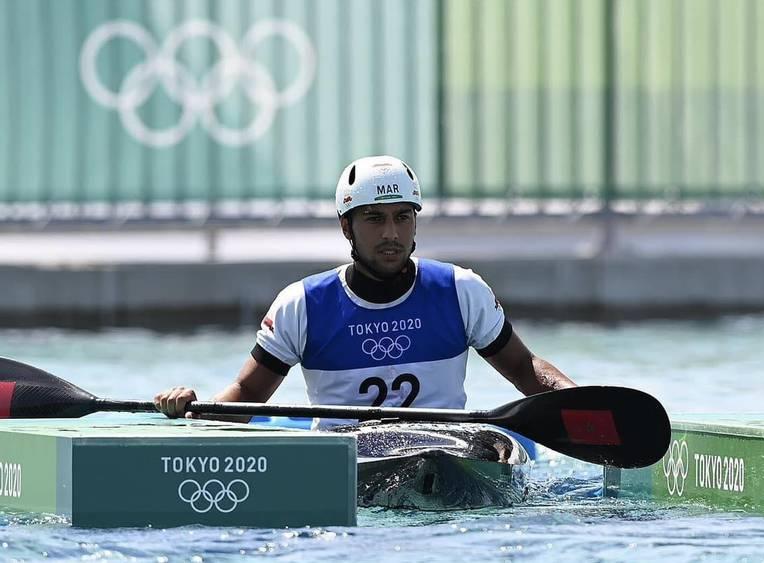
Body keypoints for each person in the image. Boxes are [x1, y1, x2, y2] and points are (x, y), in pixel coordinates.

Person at [154, 155, 576, 427]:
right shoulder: (302, 305)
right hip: (347, 467)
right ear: (346, 227)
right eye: (374, 219)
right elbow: (247, 395)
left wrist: (584, 405)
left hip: (445, 453)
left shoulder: (461, 290)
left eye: (402, 217)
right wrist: (193, 414)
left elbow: (524, 369)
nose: (391, 234)